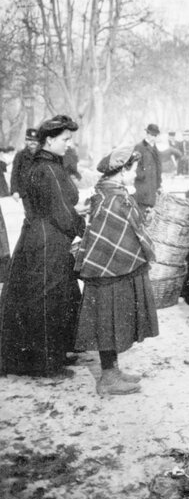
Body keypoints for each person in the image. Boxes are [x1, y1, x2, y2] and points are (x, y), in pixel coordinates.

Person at [0, 115, 88, 378]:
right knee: (46, 301)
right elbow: (61, 213)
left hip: (42, 238)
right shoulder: (48, 169)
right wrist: (84, 229)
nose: (69, 144)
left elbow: (57, 205)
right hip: (47, 242)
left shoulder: (47, 165)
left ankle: (57, 353)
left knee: (57, 296)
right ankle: (44, 365)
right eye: (65, 139)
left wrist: (75, 213)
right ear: (49, 140)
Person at [73, 145, 159, 395]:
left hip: (108, 267)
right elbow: (122, 231)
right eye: (132, 170)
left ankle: (113, 370)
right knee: (108, 319)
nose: (135, 174)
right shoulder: (114, 197)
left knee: (111, 318)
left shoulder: (109, 192)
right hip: (110, 269)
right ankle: (107, 379)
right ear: (122, 171)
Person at [133, 123, 163, 210]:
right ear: (147, 134)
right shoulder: (139, 147)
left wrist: (159, 183)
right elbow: (133, 166)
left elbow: (158, 167)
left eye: (155, 135)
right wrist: (143, 175)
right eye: (151, 135)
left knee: (150, 212)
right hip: (142, 187)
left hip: (153, 186)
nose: (153, 137)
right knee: (142, 209)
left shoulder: (155, 148)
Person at [10, 128, 40, 212]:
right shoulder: (20, 156)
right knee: (30, 216)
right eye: (30, 140)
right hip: (26, 192)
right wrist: (14, 190)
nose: (33, 142)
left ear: (38, 141)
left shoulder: (43, 155)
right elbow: (15, 173)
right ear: (26, 141)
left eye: (35, 140)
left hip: (41, 192)